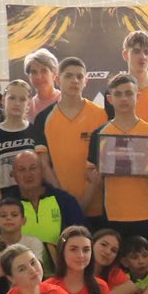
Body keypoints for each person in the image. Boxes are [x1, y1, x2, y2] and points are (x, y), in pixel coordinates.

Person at [87, 72, 148, 250]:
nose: (124, 98)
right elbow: (89, 171)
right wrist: (95, 178)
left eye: (129, 93)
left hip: (147, 213)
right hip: (113, 214)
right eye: (118, 94)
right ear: (110, 99)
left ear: (138, 96)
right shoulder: (100, 134)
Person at [32, 56, 109, 199]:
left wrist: (87, 197)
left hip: (96, 203)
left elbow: (105, 163)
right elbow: (43, 165)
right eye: (68, 76)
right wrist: (64, 199)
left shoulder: (101, 115)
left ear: (86, 81)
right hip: (60, 203)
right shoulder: (43, 118)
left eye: (79, 76)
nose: (75, 80)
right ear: (57, 79)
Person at [0, 79, 41, 202]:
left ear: (29, 103)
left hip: (34, 199)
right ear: (3, 100)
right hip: (6, 200)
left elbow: (42, 167)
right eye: (12, 98)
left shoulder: (36, 132)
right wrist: (1, 202)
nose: (17, 103)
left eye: (22, 99)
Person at [22, 47, 61, 120]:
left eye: (44, 71)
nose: (39, 77)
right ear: (29, 77)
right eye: (34, 72)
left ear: (54, 73)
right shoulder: (28, 108)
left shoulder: (66, 100)